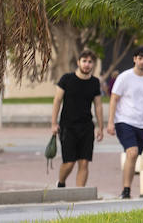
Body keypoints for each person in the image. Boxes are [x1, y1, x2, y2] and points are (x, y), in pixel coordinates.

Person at [107, 45, 143, 199]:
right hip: (124, 121)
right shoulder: (124, 77)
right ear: (134, 59)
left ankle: (127, 189)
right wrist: (110, 122)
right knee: (132, 153)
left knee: (134, 156)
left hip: (142, 124)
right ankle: (126, 191)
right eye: (139, 58)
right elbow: (114, 99)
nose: (142, 61)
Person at [50, 50, 104, 187]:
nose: (87, 64)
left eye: (90, 62)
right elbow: (57, 101)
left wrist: (101, 127)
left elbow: (98, 106)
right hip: (68, 127)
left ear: (93, 64)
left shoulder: (94, 82)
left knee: (84, 162)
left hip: (86, 127)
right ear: (78, 62)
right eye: (84, 61)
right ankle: (61, 183)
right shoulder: (67, 79)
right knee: (69, 163)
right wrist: (53, 123)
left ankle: (80, 195)